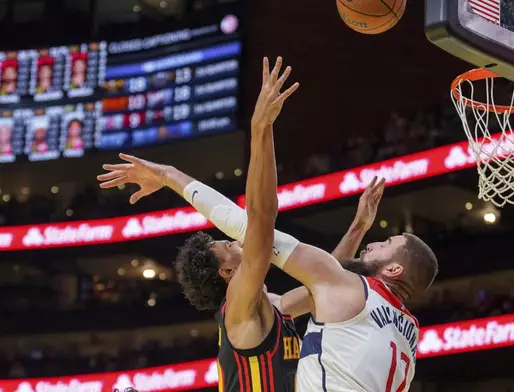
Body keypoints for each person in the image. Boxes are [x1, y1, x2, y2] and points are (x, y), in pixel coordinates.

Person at [98, 57, 438, 392]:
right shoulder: (241, 307)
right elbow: (260, 219)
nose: (237, 240)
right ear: (228, 273)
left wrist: (356, 229)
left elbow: (323, 282)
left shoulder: (274, 307)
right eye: (229, 244)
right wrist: (259, 130)